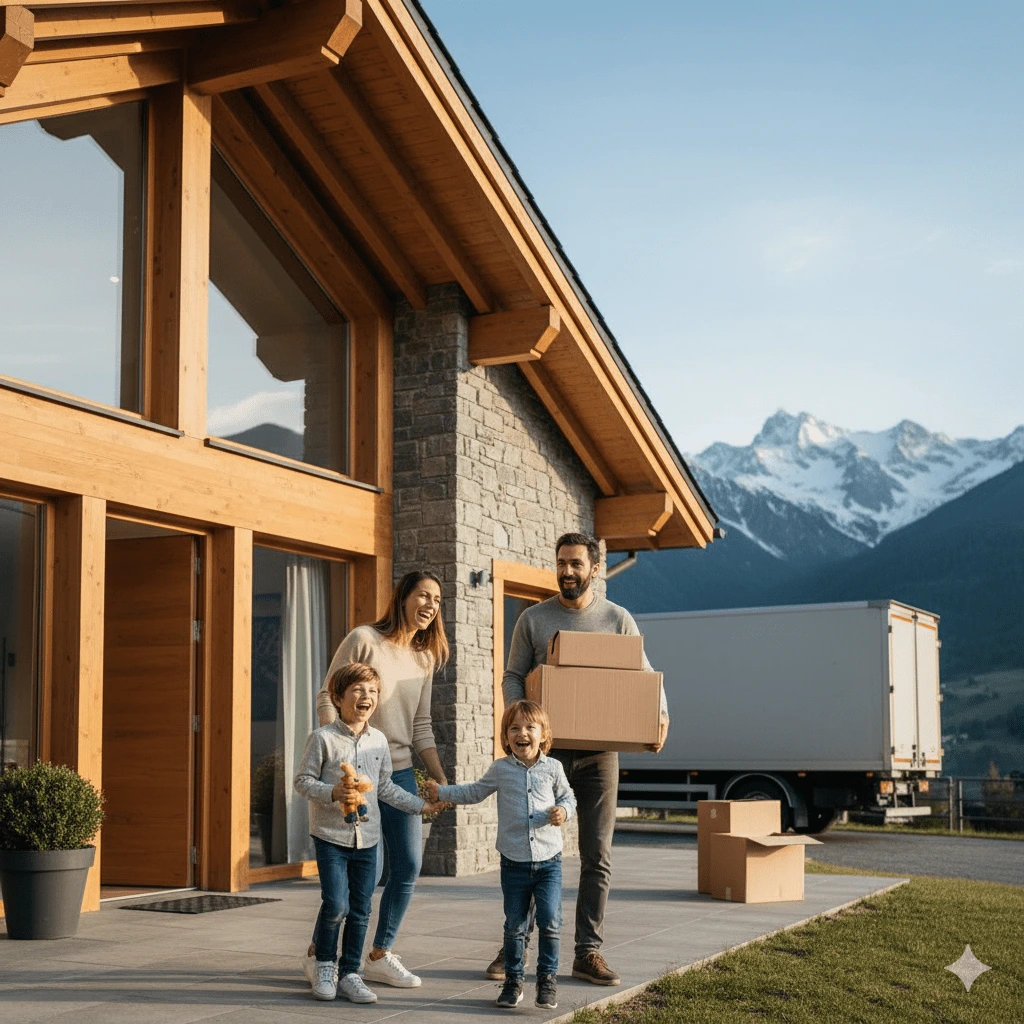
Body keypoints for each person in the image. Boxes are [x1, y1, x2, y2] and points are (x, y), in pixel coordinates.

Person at [492, 532, 669, 987]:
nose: (567, 571)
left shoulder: (617, 618)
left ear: (594, 568)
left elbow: (643, 674)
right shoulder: (533, 619)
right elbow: (513, 675)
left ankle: (587, 951)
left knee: (598, 854)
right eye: (561, 563)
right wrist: (519, 722)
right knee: (527, 852)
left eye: (576, 563)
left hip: (598, 754)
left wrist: (660, 714)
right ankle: (514, 945)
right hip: (542, 757)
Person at [301, 570, 449, 989]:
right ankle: (319, 953)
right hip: (354, 771)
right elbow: (328, 694)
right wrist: (339, 754)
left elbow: (422, 725)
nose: (430, 606)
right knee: (366, 871)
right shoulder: (364, 638)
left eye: (437, 601)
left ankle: (380, 953)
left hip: (397, 770)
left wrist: (439, 779)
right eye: (424, 596)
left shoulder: (424, 658)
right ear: (403, 597)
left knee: (408, 866)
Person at [425, 700, 575, 1010]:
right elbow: (474, 792)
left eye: (530, 727)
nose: (522, 733)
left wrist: (563, 810)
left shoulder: (553, 768)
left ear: (544, 734)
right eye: (514, 728)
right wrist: (444, 792)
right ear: (506, 737)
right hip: (515, 862)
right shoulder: (501, 769)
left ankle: (547, 980)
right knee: (515, 925)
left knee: (550, 922)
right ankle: (514, 981)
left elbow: (568, 797)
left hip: (549, 861)